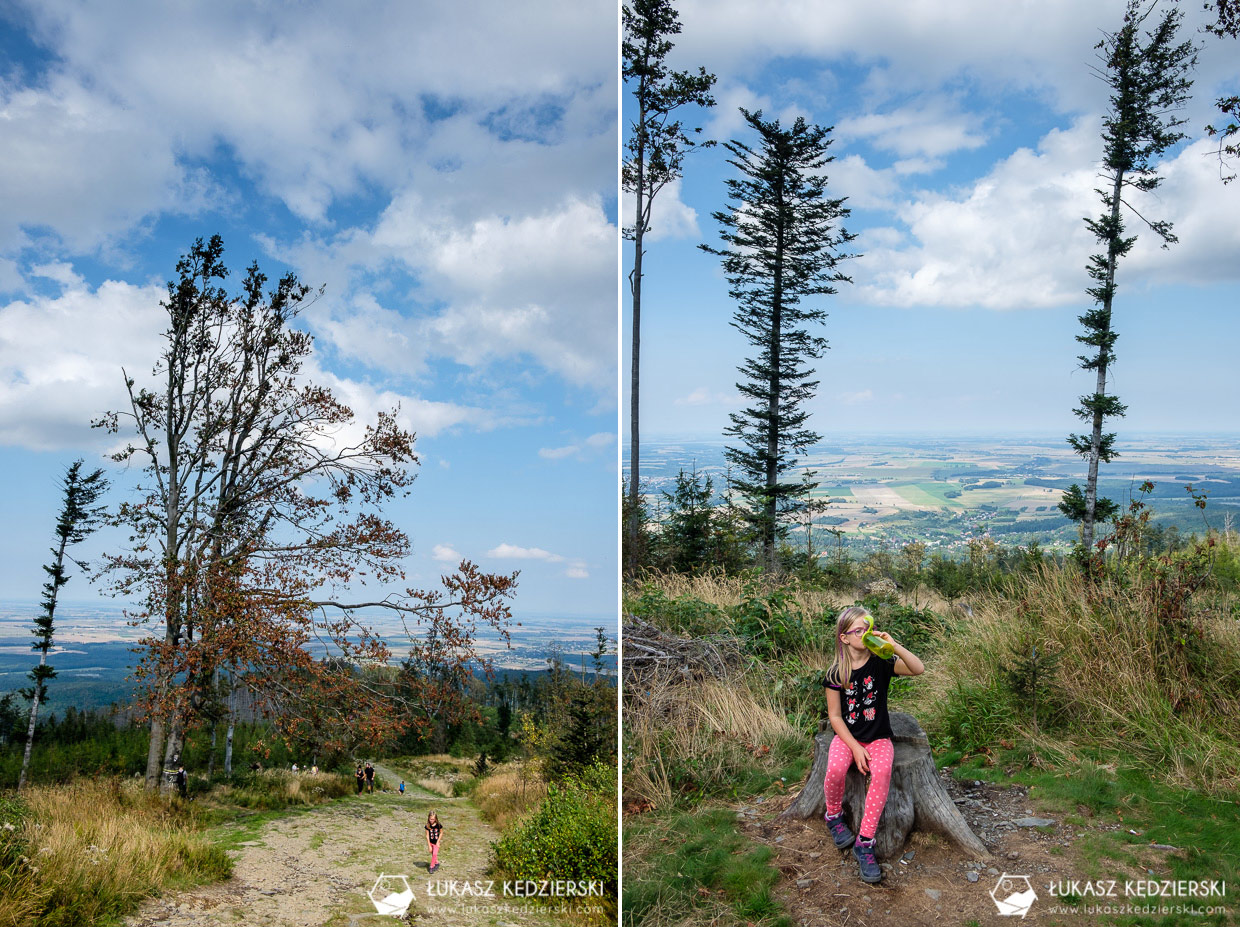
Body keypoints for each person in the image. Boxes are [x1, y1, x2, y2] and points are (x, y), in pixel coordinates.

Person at [822, 605, 924, 884]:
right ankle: (833, 816)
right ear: (844, 638)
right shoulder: (835, 673)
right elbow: (834, 716)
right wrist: (854, 747)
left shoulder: (881, 662)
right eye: (858, 630)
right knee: (834, 770)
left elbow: (918, 669)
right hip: (848, 738)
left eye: (867, 628)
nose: (865, 634)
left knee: (881, 774)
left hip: (879, 737)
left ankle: (864, 842)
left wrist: (895, 646)